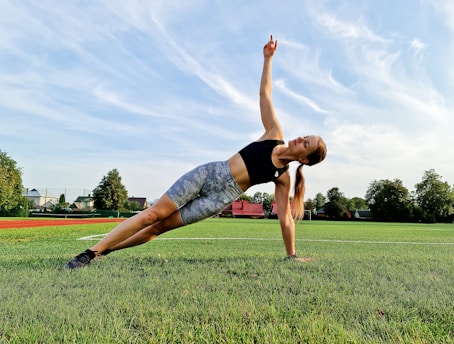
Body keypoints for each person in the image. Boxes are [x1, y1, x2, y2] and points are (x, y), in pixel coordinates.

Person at [65, 35, 327, 269]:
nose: (301, 138)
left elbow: (285, 220)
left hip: (220, 198)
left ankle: (104, 251)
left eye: (306, 143)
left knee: (159, 227)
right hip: (210, 173)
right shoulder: (274, 133)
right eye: (306, 136)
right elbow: (265, 95)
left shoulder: (282, 177)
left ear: (304, 158)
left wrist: (292, 256)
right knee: (154, 213)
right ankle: (89, 253)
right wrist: (267, 59)